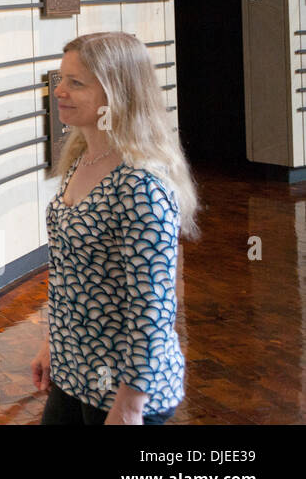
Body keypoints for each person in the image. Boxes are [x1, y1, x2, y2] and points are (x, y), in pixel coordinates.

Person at [33, 32, 199, 425]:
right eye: (62, 79)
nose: (60, 91)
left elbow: (153, 309)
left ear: (116, 93)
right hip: (76, 372)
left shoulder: (142, 185)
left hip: (124, 389)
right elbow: (71, 273)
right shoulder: (81, 157)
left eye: (77, 83)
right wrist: (53, 344)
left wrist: (130, 404)